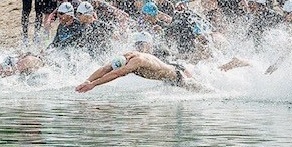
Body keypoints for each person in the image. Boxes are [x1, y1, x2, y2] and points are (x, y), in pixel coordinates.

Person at [75, 33, 203, 92]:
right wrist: (88, 80)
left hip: (177, 75)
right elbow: (105, 69)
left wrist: (93, 85)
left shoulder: (137, 61)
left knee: (201, 91)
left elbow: (116, 74)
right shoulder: (125, 56)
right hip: (167, 72)